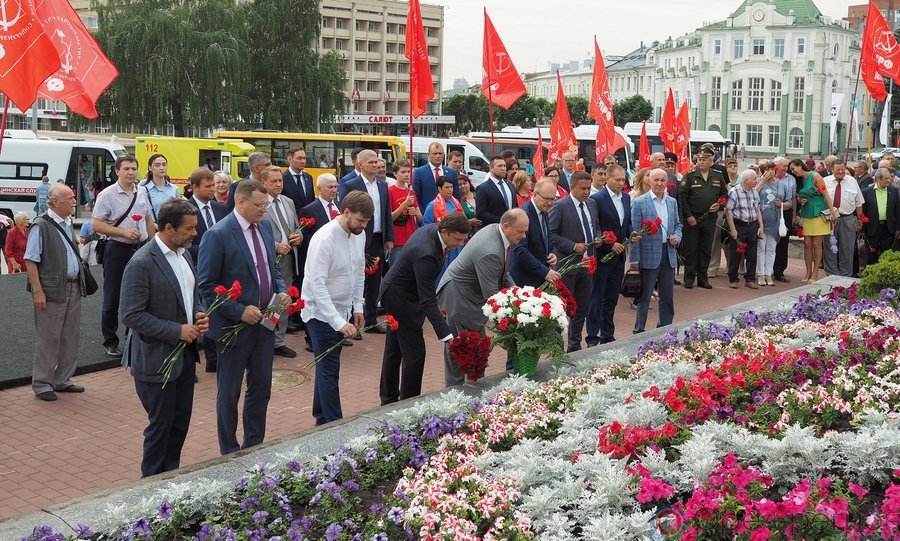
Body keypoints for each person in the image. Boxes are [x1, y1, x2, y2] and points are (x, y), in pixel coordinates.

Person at [198, 179, 288, 455]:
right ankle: (229, 449)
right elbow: (207, 285)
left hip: (266, 322)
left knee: (261, 387)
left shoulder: (265, 227)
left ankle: (254, 443)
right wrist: (238, 311)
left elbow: (271, 269)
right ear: (240, 201)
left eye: (266, 205)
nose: (264, 210)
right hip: (233, 328)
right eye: (260, 206)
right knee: (230, 392)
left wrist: (282, 291)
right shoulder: (218, 234)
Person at [119, 199, 208, 477]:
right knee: (161, 427)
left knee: (179, 424)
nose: (195, 233)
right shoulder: (142, 262)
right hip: (155, 360)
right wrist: (176, 330)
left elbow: (189, 297)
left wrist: (199, 314)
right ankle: (151, 485)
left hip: (184, 357)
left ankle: (171, 479)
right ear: (169, 228)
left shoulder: (185, 254)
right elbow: (131, 315)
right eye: (189, 228)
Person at [379, 214, 470, 405]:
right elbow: (427, 299)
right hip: (401, 300)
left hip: (397, 291)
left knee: (393, 350)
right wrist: (447, 335)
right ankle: (409, 403)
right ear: (444, 232)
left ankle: (388, 399)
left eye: (464, 239)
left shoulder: (434, 230)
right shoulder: (427, 253)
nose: (461, 244)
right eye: (458, 239)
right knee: (415, 355)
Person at [301, 191, 371, 425]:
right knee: (330, 370)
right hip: (320, 313)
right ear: (346, 212)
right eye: (360, 220)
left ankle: (321, 416)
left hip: (343, 310)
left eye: (367, 222)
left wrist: (358, 306)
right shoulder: (325, 238)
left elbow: (359, 271)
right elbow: (316, 285)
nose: (363, 226)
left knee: (326, 367)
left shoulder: (358, 234)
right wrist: (338, 322)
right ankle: (334, 424)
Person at [437, 209, 527, 386]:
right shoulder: (491, 250)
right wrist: (517, 310)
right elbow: (492, 295)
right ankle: (454, 395)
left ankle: (474, 388)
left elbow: (501, 271)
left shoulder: (497, 230)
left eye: (525, 231)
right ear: (506, 226)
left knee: (477, 349)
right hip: (458, 298)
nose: (524, 235)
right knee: (460, 349)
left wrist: (516, 290)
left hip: (468, 295)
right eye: (520, 231)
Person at [24, 183, 85, 401]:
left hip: (73, 286)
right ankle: (42, 384)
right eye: (69, 198)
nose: (74, 201)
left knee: (71, 335)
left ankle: (61, 379)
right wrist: (38, 292)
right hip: (51, 290)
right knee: (49, 337)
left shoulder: (67, 223)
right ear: (55, 201)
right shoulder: (41, 225)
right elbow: (31, 260)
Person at [93, 156, 157, 358]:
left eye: (134, 168)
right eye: (127, 169)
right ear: (117, 171)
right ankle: (110, 341)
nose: (131, 172)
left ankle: (132, 336)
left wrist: (153, 243)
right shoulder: (107, 195)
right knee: (112, 297)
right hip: (117, 250)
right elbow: (96, 224)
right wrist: (122, 232)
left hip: (140, 249)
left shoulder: (142, 191)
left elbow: (147, 217)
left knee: (139, 295)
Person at [340, 149, 395, 332]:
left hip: (379, 238)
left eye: (376, 162)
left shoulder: (382, 185)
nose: (375, 165)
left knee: (374, 282)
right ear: (360, 164)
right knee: (355, 278)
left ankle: (371, 320)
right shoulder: (350, 184)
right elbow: (344, 213)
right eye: (370, 162)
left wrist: (389, 238)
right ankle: (350, 321)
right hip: (357, 237)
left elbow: (386, 212)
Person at [549, 171, 599, 352]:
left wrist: (598, 238)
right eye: (583, 189)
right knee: (562, 309)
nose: (586, 192)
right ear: (573, 187)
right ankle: (557, 348)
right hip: (567, 266)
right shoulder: (560, 206)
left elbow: (596, 227)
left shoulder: (592, 204)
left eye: (588, 188)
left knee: (581, 308)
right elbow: (552, 235)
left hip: (588, 265)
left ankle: (574, 345)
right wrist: (572, 246)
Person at [186, 167, 228, 372]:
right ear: (194, 187)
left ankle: (215, 358)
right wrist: (208, 250)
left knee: (216, 312)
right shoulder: (186, 209)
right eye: (208, 186)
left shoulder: (220, 209)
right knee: (198, 313)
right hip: (195, 269)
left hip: (221, 271)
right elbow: (183, 244)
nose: (213, 189)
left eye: (214, 185)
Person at [630, 169, 682, 334]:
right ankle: (639, 330)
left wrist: (677, 237)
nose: (659, 183)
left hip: (668, 253)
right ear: (649, 181)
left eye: (663, 180)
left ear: (667, 181)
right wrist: (634, 260)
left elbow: (678, 225)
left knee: (667, 296)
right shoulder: (639, 202)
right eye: (656, 180)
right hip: (648, 255)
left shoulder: (672, 202)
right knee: (644, 297)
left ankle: (664, 330)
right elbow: (634, 233)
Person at [586, 164, 632, 346]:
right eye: (618, 180)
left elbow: (626, 223)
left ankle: (607, 333)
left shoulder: (626, 198)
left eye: (623, 180)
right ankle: (592, 335)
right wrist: (609, 243)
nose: (621, 183)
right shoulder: (597, 199)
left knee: (612, 297)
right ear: (607, 178)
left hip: (619, 256)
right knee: (597, 297)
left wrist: (632, 234)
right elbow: (595, 227)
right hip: (602, 255)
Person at [260, 165, 303, 358]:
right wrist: (275, 245)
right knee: (269, 300)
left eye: (281, 181)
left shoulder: (288, 202)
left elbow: (295, 227)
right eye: (274, 181)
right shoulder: (260, 204)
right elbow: (256, 232)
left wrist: (299, 236)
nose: (279, 184)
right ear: (263, 182)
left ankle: (278, 341)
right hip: (268, 259)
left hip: (288, 259)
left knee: (283, 299)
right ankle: (265, 340)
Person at [677, 145, 727, 289]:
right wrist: (689, 216)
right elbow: (683, 198)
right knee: (690, 249)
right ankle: (689, 277)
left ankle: (703, 278)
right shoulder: (690, 176)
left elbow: (724, 194)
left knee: (706, 249)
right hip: (692, 220)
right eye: (699, 159)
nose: (701, 162)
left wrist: (719, 205)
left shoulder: (717, 176)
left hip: (709, 219)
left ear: (711, 160)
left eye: (704, 159)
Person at [789, 159, 836, 283]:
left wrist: (832, 212)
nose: (793, 172)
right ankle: (808, 271)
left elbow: (826, 194)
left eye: (794, 169)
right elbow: (799, 197)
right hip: (807, 212)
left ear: (800, 165)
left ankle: (815, 273)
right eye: (791, 170)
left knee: (817, 244)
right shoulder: (799, 180)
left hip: (819, 212)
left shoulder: (815, 176)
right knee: (807, 244)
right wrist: (800, 201)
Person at [510, 178, 560, 288]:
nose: (550, 203)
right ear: (535, 194)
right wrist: (544, 272)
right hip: (525, 279)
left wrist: (552, 252)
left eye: (553, 199)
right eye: (547, 199)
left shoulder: (543, 210)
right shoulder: (524, 214)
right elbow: (520, 250)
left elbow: (546, 239)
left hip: (538, 278)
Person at [822, 160, 865, 277]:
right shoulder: (825, 181)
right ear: (831, 170)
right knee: (830, 247)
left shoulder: (852, 181)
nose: (841, 172)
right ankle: (831, 275)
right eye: (837, 170)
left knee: (847, 248)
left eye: (842, 169)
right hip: (830, 220)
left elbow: (859, 202)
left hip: (848, 219)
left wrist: (860, 219)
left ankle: (845, 275)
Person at [724, 169, 764, 289]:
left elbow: (757, 210)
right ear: (745, 180)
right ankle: (733, 279)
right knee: (736, 253)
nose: (756, 181)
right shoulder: (734, 192)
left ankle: (750, 279)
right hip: (739, 225)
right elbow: (728, 211)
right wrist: (733, 229)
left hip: (752, 225)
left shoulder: (754, 192)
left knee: (752, 254)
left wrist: (761, 226)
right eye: (754, 179)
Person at [757, 162, 791, 286]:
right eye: (766, 169)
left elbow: (789, 203)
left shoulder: (782, 185)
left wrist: (781, 204)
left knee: (771, 249)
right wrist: (762, 182)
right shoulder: (758, 182)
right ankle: (760, 274)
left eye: (772, 169)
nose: (770, 171)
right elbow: (751, 196)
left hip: (775, 221)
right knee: (761, 248)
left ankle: (768, 274)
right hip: (761, 221)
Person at [708, 157, 740, 278]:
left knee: (715, 241)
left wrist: (720, 204)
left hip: (718, 212)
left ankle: (713, 267)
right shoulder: (695, 173)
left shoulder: (719, 171)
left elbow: (725, 193)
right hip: (700, 213)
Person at [861, 168, 900, 263]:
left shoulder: (894, 191)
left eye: (890, 178)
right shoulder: (866, 192)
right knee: (871, 255)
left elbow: (898, 211)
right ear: (878, 179)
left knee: (886, 254)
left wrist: (898, 228)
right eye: (886, 178)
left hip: (888, 228)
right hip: (872, 228)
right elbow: (863, 212)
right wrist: (863, 230)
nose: (889, 180)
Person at [387, 158, 421, 266]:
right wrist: (404, 205)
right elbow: (390, 218)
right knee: (395, 272)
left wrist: (415, 212)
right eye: (403, 172)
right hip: (396, 241)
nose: (406, 174)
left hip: (411, 239)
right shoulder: (390, 191)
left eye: (408, 172)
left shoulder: (411, 192)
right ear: (395, 174)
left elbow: (420, 217)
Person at [412, 142, 459, 214]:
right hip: (426, 216)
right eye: (435, 153)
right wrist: (423, 215)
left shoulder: (451, 173)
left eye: (440, 153)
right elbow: (416, 197)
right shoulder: (419, 172)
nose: (438, 156)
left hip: (448, 218)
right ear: (428, 155)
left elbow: (456, 196)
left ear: (444, 155)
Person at [771, 157, 797, 283]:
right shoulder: (768, 177)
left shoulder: (791, 179)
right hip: (770, 213)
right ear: (775, 166)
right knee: (768, 241)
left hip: (785, 213)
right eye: (783, 166)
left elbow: (793, 199)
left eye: (787, 166)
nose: (785, 168)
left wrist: (793, 215)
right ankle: (766, 270)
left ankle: (779, 270)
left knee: (783, 242)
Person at [475, 156, 517, 226]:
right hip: (494, 228)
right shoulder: (483, 188)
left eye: (504, 166)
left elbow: (514, 206)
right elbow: (481, 213)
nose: (503, 168)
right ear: (491, 168)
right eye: (499, 166)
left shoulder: (510, 186)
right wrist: (501, 220)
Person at [142, 153, 180, 221]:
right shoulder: (144, 190)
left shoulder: (174, 189)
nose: (162, 168)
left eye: (164, 164)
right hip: (152, 229)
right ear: (150, 168)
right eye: (157, 165)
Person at [282, 147, 316, 214]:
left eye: (304, 158)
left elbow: (312, 200)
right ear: (289, 159)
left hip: (309, 221)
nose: (303, 161)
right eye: (299, 158)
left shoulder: (308, 177)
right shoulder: (282, 178)